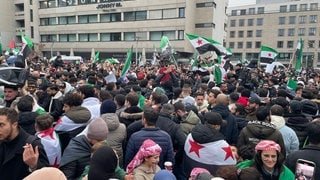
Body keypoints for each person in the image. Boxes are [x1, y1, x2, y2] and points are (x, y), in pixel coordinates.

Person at [0, 108, 49, 179]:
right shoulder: (2, 139)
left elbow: (46, 174)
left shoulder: (32, 144)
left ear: (14, 124)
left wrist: (34, 166)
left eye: (1, 125)